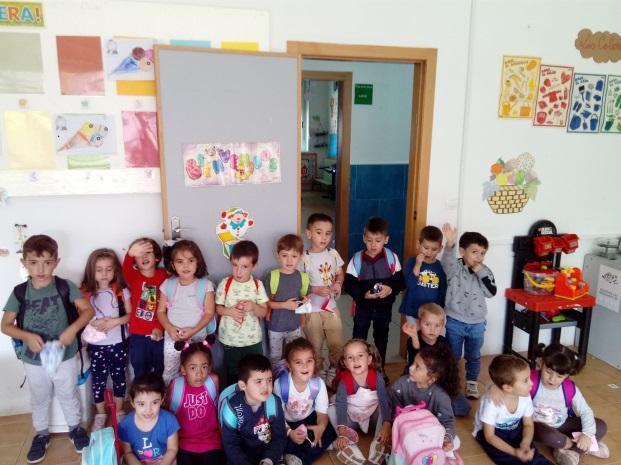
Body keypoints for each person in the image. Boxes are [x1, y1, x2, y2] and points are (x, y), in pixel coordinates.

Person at [1, 234, 93, 463]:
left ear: (56, 262)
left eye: (47, 262)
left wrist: (72, 330)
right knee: (39, 396)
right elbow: (5, 325)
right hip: (33, 359)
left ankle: (75, 429)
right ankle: (41, 434)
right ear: (24, 262)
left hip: (65, 355)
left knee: (68, 393)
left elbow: (87, 311)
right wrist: (27, 336)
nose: (40, 269)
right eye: (33, 262)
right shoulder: (20, 292)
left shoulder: (65, 286)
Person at [441, 224, 496, 399]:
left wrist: (481, 273)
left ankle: (471, 382)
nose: (479, 257)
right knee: (454, 355)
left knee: (474, 356)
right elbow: (446, 261)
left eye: (482, 253)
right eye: (474, 252)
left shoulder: (485, 271)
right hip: (455, 321)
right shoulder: (454, 268)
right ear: (462, 251)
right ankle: (452, 382)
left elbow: (491, 292)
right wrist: (450, 243)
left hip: (477, 323)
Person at [531, 344, 608, 465]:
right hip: (538, 427)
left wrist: (587, 434)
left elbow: (585, 411)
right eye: (548, 372)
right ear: (541, 363)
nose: (552, 379)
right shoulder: (530, 381)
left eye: (559, 376)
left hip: (563, 424)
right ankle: (585, 446)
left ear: (567, 375)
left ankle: (569, 449)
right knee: (548, 435)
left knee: (601, 425)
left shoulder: (569, 388)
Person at [81, 248, 132, 431]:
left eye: (109, 269)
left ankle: (119, 410)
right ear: (91, 271)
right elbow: (80, 317)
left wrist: (114, 322)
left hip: (118, 343)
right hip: (96, 346)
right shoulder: (85, 293)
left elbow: (130, 315)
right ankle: (101, 413)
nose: (104, 274)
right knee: (98, 379)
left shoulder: (121, 291)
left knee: (119, 377)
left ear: (115, 270)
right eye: (99, 270)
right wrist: (93, 322)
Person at [344, 217, 405, 369]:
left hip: (384, 308)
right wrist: (362, 295)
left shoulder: (391, 258)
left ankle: (379, 370)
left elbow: (400, 282)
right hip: (362, 308)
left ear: (386, 240)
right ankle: (356, 369)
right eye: (369, 240)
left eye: (378, 241)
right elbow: (349, 285)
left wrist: (391, 289)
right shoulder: (357, 260)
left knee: (381, 339)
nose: (373, 245)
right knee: (359, 338)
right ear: (364, 238)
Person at [473, 355, 551, 465]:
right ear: (508, 388)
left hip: (515, 428)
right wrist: (514, 452)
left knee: (532, 455)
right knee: (508, 458)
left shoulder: (525, 396)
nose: (531, 383)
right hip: (492, 433)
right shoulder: (491, 403)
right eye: (525, 380)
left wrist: (525, 443)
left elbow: (528, 424)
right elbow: (490, 436)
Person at [158, 240, 216, 385]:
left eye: (190, 260)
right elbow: (160, 311)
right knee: (170, 371)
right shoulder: (168, 284)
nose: (186, 266)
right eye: (180, 261)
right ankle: (170, 395)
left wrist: (193, 330)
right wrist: (170, 328)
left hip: (197, 338)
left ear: (198, 262)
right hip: (173, 338)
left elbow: (209, 313)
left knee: (197, 372)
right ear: (173, 265)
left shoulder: (206, 285)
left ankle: (195, 396)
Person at [391, 345, 462, 459]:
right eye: (413, 363)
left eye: (417, 367)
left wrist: (446, 439)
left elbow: (448, 421)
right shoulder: (400, 385)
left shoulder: (441, 396)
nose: (411, 368)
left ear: (432, 378)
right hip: (407, 431)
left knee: (455, 442)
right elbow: (395, 415)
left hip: (429, 433)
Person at [273, 338, 337, 465]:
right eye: (298, 362)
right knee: (275, 435)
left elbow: (322, 413)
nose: (305, 366)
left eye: (309, 361)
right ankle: (301, 451)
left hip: (309, 420)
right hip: (287, 422)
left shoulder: (318, 384)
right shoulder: (280, 385)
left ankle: (298, 457)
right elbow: (277, 416)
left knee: (329, 430)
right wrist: (290, 432)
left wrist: (320, 427)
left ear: (314, 361)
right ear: (289, 365)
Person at [329, 339, 391, 465]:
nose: (355, 360)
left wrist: (386, 424)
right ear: (345, 363)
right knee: (331, 409)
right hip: (352, 421)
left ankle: (379, 442)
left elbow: (384, 401)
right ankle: (348, 444)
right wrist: (342, 432)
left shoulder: (377, 378)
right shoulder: (344, 382)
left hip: (372, 419)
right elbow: (341, 406)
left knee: (383, 406)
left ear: (369, 359)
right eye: (350, 357)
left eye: (360, 356)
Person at [215, 240, 269, 386]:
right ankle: (233, 397)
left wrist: (253, 307)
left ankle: (254, 396)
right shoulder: (225, 284)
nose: (238, 271)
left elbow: (264, 312)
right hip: (230, 339)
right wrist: (229, 311)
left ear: (254, 266)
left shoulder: (257, 285)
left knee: (255, 372)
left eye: (244, 267)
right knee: (233, 372)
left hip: (252, 340)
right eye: (235, 265)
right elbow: (218, 308)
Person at [299, 213, 345, 384]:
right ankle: (317, 372)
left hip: (330, 306)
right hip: (312, 309)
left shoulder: (333, 254)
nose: (324, 237)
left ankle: (334, 368)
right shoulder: (304, 258)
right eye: (319, 232)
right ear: (309, 233)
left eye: (328, 233)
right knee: (314, 344)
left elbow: (340, 273)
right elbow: (298, 283)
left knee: (336, 342)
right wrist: (314, 289)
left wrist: (338, 283)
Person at [401, 303, 470, 416]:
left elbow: (448, 368)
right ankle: (429, 406)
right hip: (418, 381)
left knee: (463, 407)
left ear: (442, 326)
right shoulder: (414, 340)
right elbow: (416, 354)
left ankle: (431, 406)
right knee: (404, 397)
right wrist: (414, 337)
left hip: (437, 382)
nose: (432, 329)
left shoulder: (444, 342)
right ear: (419, 323)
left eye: (437, 325)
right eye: (427, 324)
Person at [220, 354, 287, 465]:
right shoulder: (231, 408)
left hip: (268, 454)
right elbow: (230, 444)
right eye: (259, 381)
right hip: (240, 457)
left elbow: (280, 437)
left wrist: (269, 460)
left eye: (269, 380)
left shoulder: (274, 402)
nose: (266, 386)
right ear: (243, 385)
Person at [167, 341, 225, 465]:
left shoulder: (213, 381)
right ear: (183, 369)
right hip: (184, 444)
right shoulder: (176, 386)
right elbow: (168, 415)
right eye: (193, 368)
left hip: (211, 442)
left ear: (209, 368)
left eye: (204, 367)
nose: (199, 373)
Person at [399, 225, 446, 367]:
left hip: (431, 315)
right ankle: (412, 367)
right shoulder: (412, 262)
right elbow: (409, 285)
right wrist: (418, 265)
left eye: (434, 249)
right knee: (414, 339)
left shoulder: (440, 267)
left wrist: (439, 312)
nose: (429, 252)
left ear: (440, 248)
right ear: (418, 244)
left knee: (429, 341)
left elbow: (442, 291)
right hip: (413, 311)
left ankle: (428, 368)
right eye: (426, 248)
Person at [123, 237, 168, 377]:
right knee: (140, 371)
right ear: (134, 262)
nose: (144, 257)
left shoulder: (164, 276)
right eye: (139, 254)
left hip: (160, 333)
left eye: (148, 252)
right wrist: (130, 254)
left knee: (160, 369)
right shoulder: (134, 277)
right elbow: (125, 269)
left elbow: (168, 306)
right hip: (138, 336)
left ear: (157, 257)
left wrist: (159, 327)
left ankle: (159, 391)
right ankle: (140, 392)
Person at [263, 234, 309, 365]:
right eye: (284, 255)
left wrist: (305, 301)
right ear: (278, 255)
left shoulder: (303, 277)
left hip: (295, 326)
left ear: (300, 256)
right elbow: (267, 303)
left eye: (294, 256)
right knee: (275, 357)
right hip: (275, 326)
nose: (289, 260)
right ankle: (275, 376)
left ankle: (291, 376)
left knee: (294, 355)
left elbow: (304, 298)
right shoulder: (272, 277)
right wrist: (284, 305)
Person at [120, 372, 180, 465]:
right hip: (137, 461)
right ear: (132, 402)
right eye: (142, 404)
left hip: (164, 460)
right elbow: (128, 452)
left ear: (162, 399)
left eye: (154, 402)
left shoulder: (169, 421)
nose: (148, 410)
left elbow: (172, 449)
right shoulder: (125, 425)